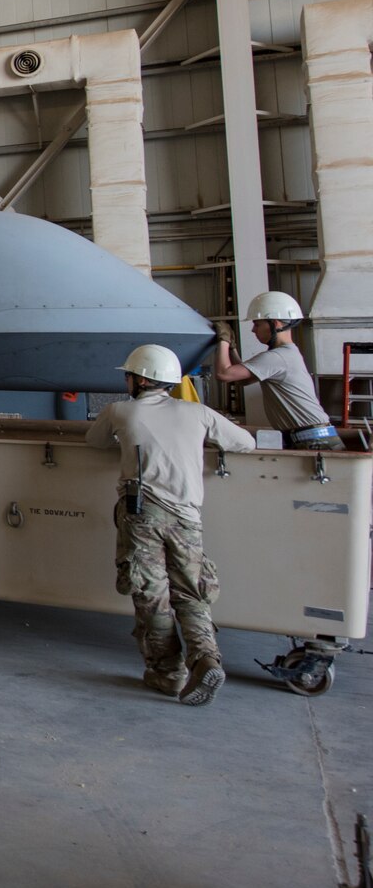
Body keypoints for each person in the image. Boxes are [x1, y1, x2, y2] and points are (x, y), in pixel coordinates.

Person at [87, 344, 255, 706]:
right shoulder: (197, 413)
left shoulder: (120, 412)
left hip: (141, 514)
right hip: (186, 517)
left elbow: (93, 440)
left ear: (142, 379)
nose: (126, 381)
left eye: (128, 376)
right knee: (191, 592)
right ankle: (205, 657)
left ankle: (168, 675)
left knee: (152, 596)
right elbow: (246, 442)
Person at [211, 292, 343, 450]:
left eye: (257, 324)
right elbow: (242, 379)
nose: (253, 330)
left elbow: (223, 374)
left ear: (275, 324)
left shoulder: (277, 357)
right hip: (311, 438)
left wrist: (223, 341)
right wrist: (232, 348)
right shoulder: (286, 353)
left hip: (315, 441)